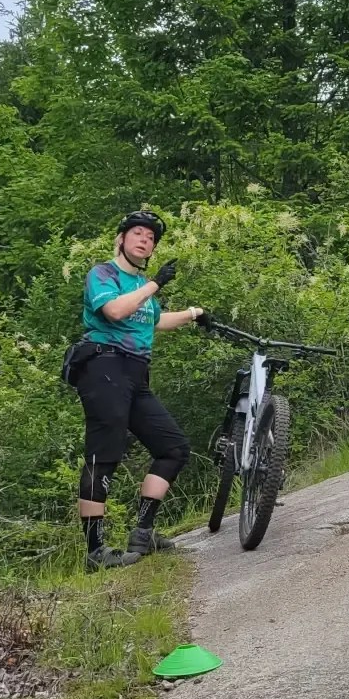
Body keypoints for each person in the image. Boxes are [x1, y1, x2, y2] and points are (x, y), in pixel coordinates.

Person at [74, 210, 203, 571]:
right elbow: (115, 311)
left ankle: (143, 532)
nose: (145, 240)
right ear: (121, 239)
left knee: (173, 448)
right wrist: (156, 284)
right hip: (104, 367)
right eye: (138, 234)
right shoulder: (104, 275)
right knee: (105, 455)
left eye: (151, 238)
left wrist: (194, 313)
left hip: (135, 374)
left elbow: (154, 320)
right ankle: (94, 552)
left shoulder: (143, 288)